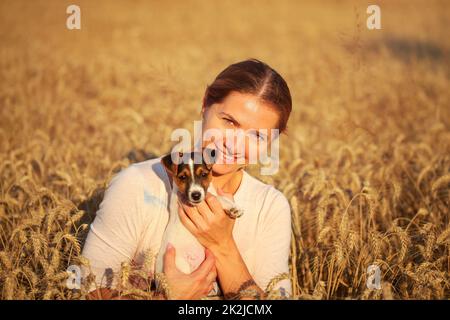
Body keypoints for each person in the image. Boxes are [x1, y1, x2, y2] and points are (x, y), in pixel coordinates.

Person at [81, 58, 293, 300]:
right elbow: (89, 292)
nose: (234, 143)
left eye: (256, 135)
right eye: (229, 122)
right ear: (205, 105)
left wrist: (223, 245)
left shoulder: (270, 207)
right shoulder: (138, 185)